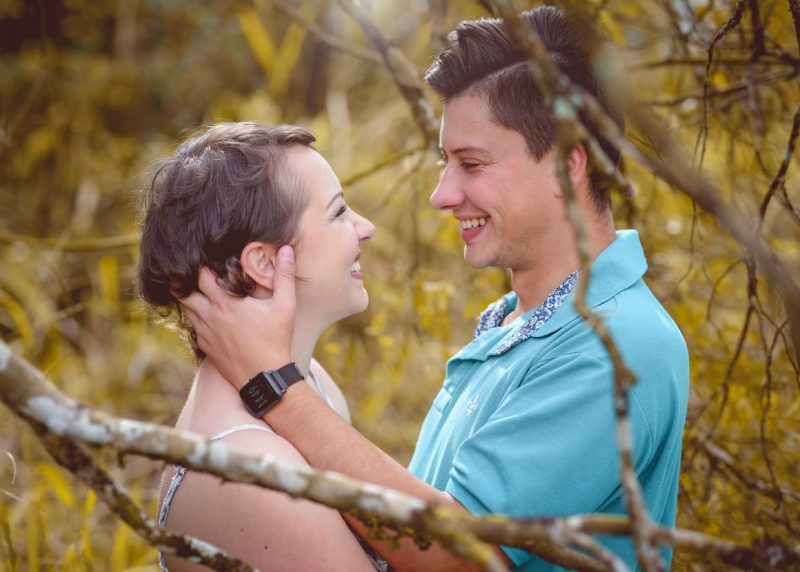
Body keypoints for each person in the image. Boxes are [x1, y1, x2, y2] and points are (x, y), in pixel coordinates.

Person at [180, 6, 689, 571]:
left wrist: (274, 386)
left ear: (569, 164)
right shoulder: (517, 323)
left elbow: (457, 557)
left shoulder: (614, 345)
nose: (442, 194)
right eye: (446, 161)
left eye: (471, 164)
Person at [137, 122, 389, 571]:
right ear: (265, 263)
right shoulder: (254, 469)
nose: (365, 227)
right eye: (338, 213)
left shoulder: (312, 385)